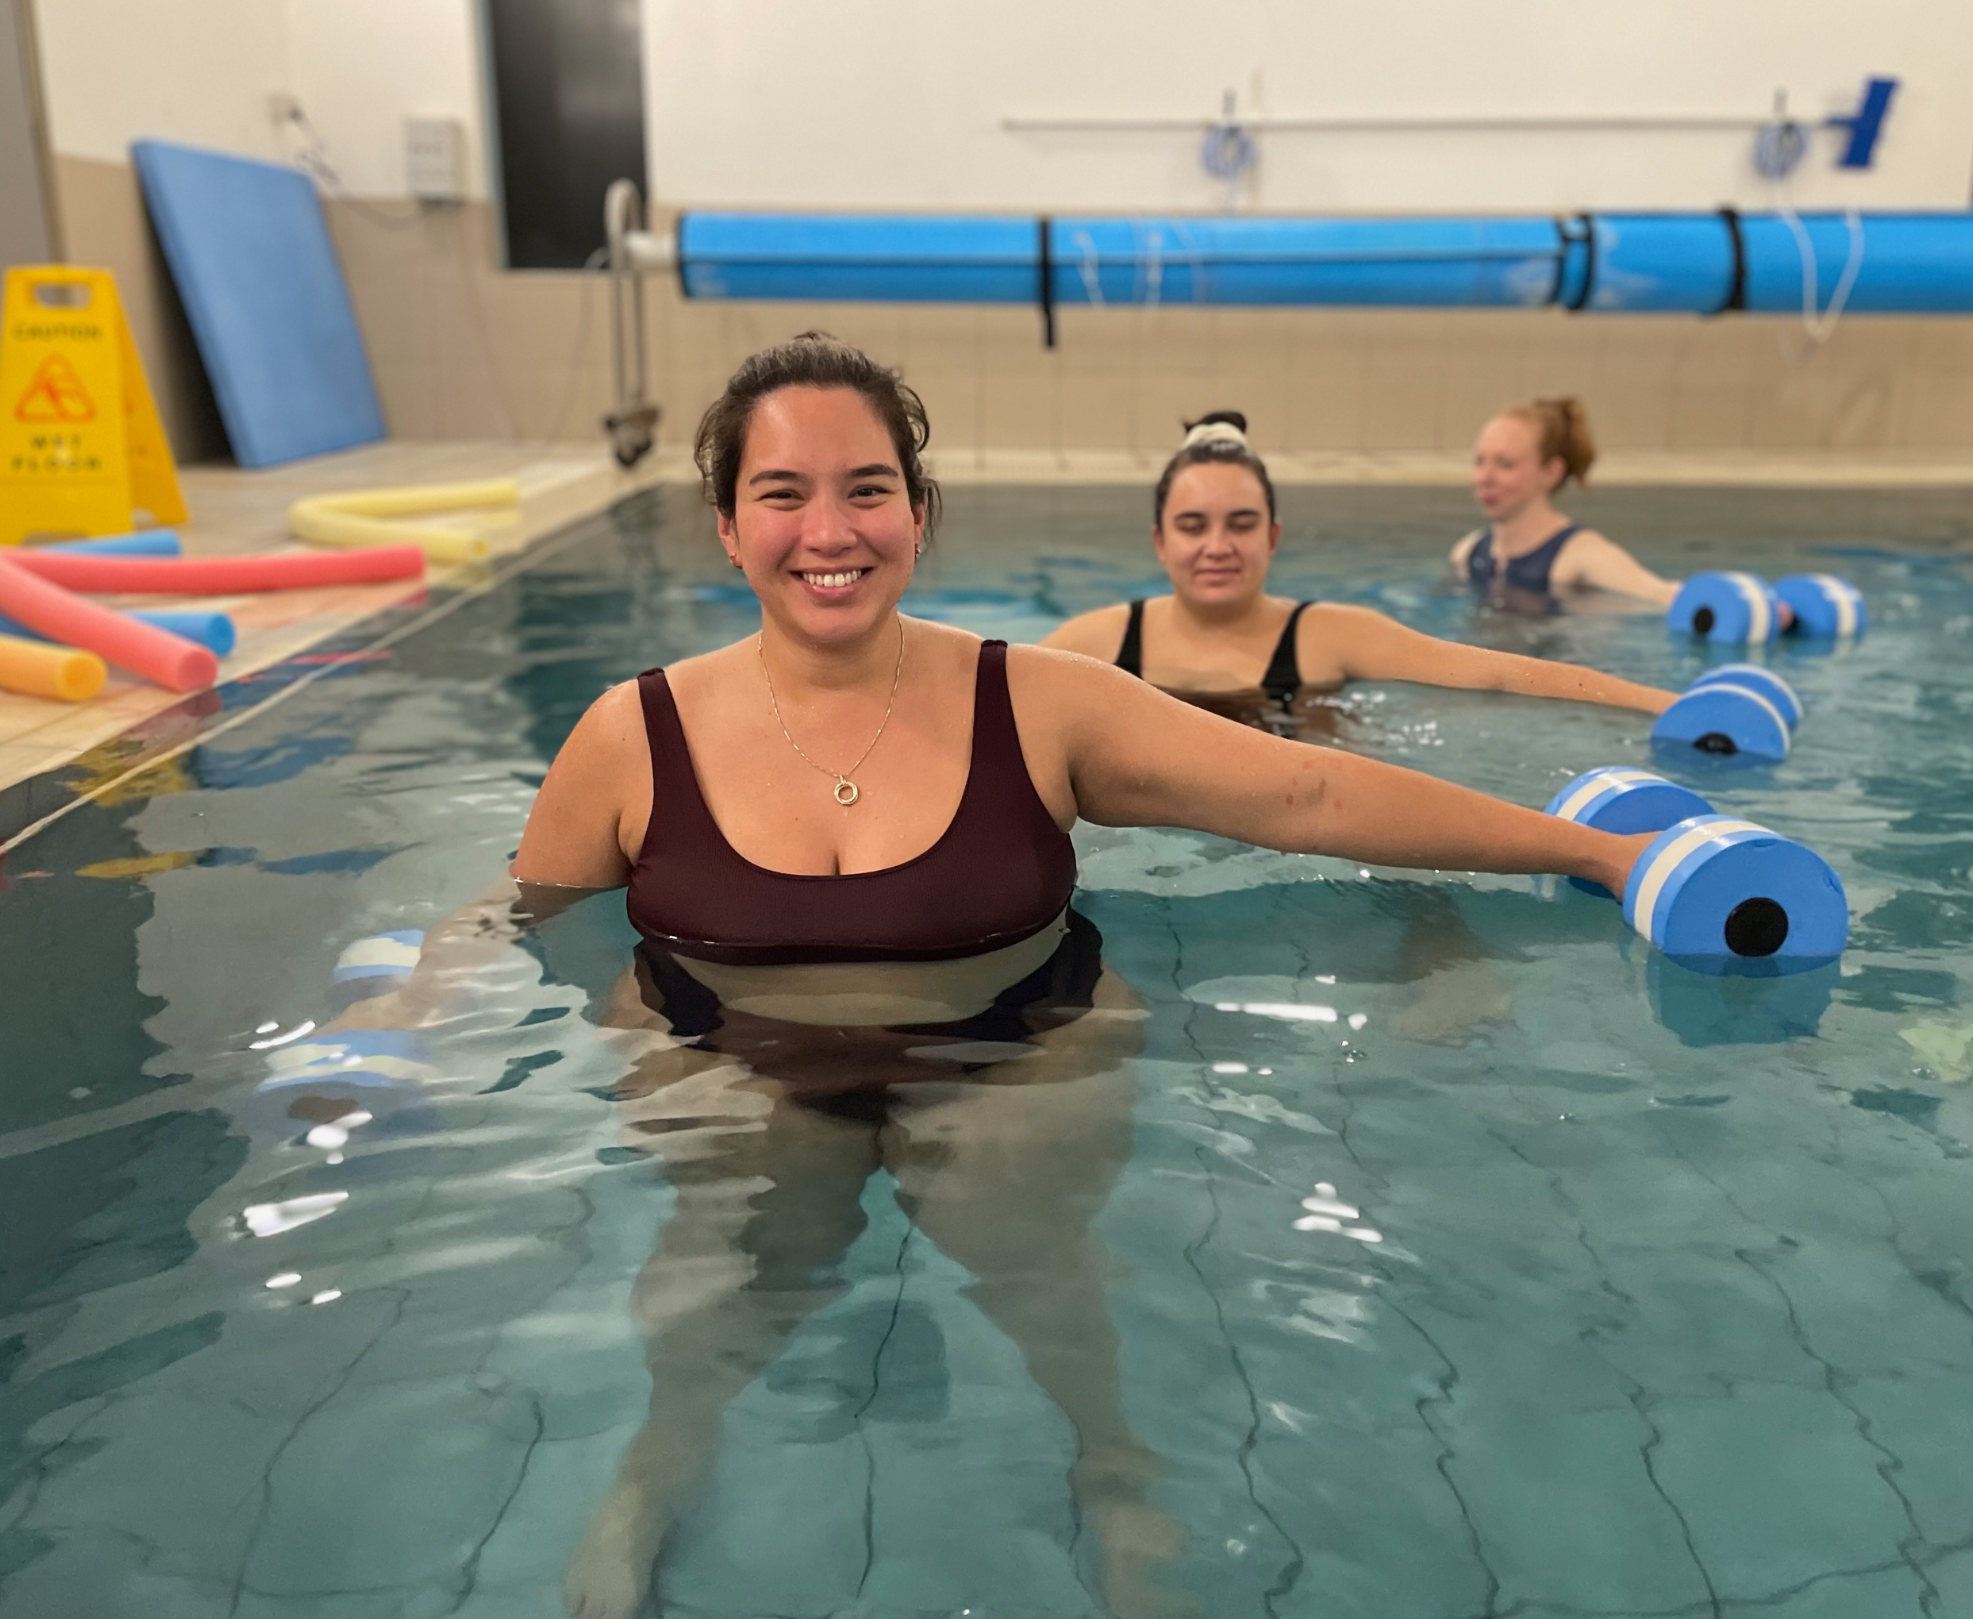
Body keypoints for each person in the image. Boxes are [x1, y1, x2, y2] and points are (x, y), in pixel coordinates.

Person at [507, 333, 1653, 1619]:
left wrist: (1598, 852)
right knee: (712, 1279)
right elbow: (524, 913)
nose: (829, 529)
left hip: (1017, 1043)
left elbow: (1308, 792)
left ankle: (1115, 1471)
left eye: (867, 488)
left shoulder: (1039, 701)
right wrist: (400, 1009)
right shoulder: (631, 732)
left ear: (918, 512)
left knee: (1037, 1263)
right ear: (726, 525)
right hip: (727, 1053)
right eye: (782, 492)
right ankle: (651, 1475)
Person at [1044, 411, 1675, 717]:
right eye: (1192, 526)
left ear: (1273, 536)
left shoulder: (1331, 636)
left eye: (1241, 524)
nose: (1217, 546)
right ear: (1159, 542)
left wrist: (1660, 703)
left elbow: (1494, 673)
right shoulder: (1097, 643)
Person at [1450, 397, 1682, 608]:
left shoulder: (1581, 557)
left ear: (1551, 472)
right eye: (1479, 461)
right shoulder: (1468, 553)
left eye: (1505, 464)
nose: (1485, 478)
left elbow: (1662, 594)